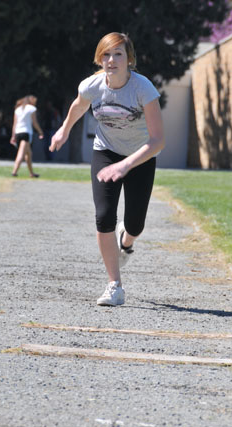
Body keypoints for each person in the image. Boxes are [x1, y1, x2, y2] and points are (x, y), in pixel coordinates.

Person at [50, 32, 165, 306]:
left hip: (139, 158)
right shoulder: (92, 85)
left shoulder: (143, 89)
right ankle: (115, 286)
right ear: (99, 58)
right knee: (104, 217)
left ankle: (127, 241)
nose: (111, 60)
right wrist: (63, 131)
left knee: (136, 224)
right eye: (106, 54)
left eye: (118, 54)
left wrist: (126, 165)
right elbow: (78, 107)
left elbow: (158, 141)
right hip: (106, 152)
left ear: (129, 59)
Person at [10, 95, 44, 177]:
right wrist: (40, 132)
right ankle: (14, 171)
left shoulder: (17, 110)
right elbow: (34, 123)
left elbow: (14, 124)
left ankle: (31, 173)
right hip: (26, 133)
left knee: (28, 154)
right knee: (21, 153)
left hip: (18, 132)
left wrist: (13, 136)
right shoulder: (32, 109)